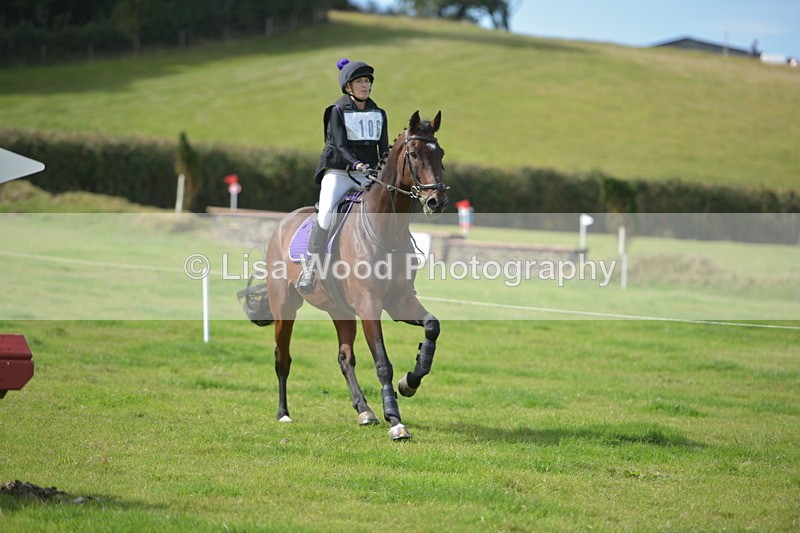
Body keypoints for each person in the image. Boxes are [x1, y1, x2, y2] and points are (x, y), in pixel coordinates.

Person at [297, 58, 389, 293]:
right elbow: (339, 145)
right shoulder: (337, 111)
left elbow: (384, 147)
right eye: (359, 81)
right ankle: (311, 268)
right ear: (348, 86)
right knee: (326, 213)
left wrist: (382, 170)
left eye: (367, 81)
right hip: (338, 172)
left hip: (366, 175)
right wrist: (358, 164)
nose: (365, 85)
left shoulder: (379, 113)